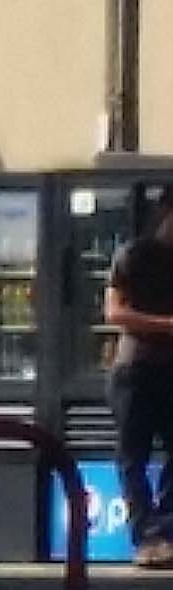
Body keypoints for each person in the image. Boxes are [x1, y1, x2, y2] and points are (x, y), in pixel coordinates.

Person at [112, 189, 173, 569]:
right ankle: (144, 536)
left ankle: (166, 532)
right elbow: (115, 312)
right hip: (135, 369)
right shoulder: (135, 256)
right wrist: (167, 325)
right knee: (133, 456)